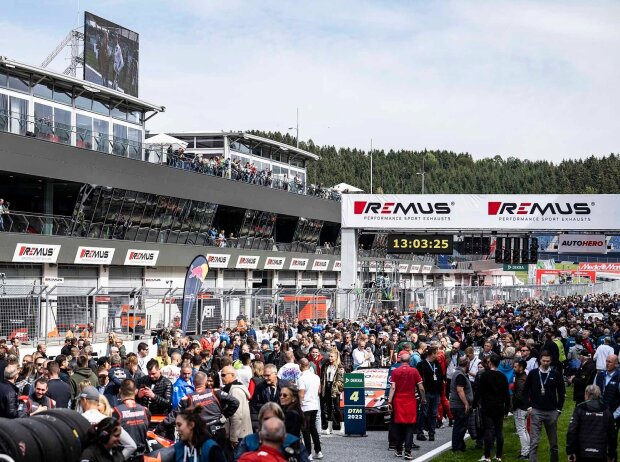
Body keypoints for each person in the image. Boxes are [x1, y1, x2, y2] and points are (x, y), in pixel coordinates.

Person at [523, 350, 566, 462]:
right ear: (540, 360)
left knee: (553, 443)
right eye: (543, 361)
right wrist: (528, 406)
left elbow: (562, 393)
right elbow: (525, 390)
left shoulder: (556, 374)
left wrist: (559, 409)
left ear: (551, 361)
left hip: (552, 411)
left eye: (548, 361)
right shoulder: (533, 373)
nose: (545, 363)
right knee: (534, 442)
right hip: (536, 410)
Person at [235, 402, 310, 462]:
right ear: (260, 421)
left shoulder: (293, 442)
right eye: (267, 419)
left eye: (275, 418)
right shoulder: (248, 440)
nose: (271, 422)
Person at [79, 386, 138, 460]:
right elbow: (131, 446)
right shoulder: (108, 421)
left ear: (84, 400)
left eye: (80, 401)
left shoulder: (77, 420)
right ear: (97, 401)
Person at [472, 353, 511, 462]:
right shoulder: (502, 376)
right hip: (499, 406)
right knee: (499, 431)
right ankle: (498, 455)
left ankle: (487, 455)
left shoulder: (485, 375)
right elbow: (506, 394)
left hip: (487, 406)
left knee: (488, 430)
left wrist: (474, 405)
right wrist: (507, 409)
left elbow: (478, 391)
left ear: (490, 363)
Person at [388, 351, 425, 459]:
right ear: (409, 361)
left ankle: (399, 450)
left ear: (400, 360)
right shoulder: (414, 371)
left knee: (399, 426)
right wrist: (423, 398)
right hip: (410, 401)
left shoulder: (395, 371)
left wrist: (389, 401)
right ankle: (408, 452)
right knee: (409, 426)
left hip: (398, 401)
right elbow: (421, 387)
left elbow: (393, 387)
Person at [566, 384, 617, 462]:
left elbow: (572, 431)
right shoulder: (607, 410)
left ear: (587, 394)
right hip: (601, 454)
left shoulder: (579, 409)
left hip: (581, 454)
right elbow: (612, 435)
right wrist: (611, 454)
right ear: (599, 395)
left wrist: (570, 451)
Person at [112, 379, 150, 456]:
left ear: (120, 391)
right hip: (142, 456)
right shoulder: (146, 411)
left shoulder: (115, 412)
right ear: (136, 391)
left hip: (123, 455)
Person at [221, 366, 253, 448]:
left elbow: (237, 416)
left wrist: (233, 437)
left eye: (224, 375)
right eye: (221, 375)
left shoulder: (235, 391)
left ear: (232, 375)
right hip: (238, 435)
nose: (222, 377)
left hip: (239, 436)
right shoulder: (229, 389)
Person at [416, 346, 443, 442]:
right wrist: (421, 393)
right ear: (432, 354)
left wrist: (440, 390)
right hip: (426, 392)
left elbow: (440, 377)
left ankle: (432, 432)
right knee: (423, 412)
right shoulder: (421, 365)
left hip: (436, 392)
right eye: (436, 353)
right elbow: (418, 380)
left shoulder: (437, 364)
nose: (438, 355)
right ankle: (420, 432)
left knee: (433, 413)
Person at [298, 358, 323, 460]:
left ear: (300, 365)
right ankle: (318, 451)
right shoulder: (316, 377)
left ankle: (308, 453)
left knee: (305, 431)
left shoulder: (301, 378)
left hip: (305, 407)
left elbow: (301, 394)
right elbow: (319, 391)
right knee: (313, 429)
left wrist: (299, 405)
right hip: (315, 405)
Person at [594, 354, 620, 446]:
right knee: (599, 441)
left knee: (611, 443)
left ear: (616, 364)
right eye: (606, 361)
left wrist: (614, 415)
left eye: (610, 362)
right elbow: (593, 394)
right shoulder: (599, 375)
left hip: (613, 415)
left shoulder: (618, 377)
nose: (607, 364)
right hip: (599, 413)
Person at [449, 356, 472, 453]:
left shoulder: (459, 373)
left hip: (456, 405)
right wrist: (466, 403)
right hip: (459, 405)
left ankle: (460, 445)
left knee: (459, 426)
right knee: (460, 426)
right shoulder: (460, 375)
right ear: (467, 364)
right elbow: (460, 390)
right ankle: (457, 447)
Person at [319, 350, 344, 435]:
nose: (330, 358)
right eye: (329, 356)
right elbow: (322, 377)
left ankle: (342, 427)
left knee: (337, 407)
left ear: (336, 357)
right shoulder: (326, 365)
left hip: (335, 388)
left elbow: (342, 380)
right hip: (327, 387)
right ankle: (329, 428)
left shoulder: (339, 366)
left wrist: (340, 390)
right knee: (328, 407)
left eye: (332, 356)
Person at [250, 364, 281, 431]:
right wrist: (256, 425)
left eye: (268, 375)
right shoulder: (260, 387)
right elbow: (254, 405)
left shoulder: (285, 386)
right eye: (264, 375)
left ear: (275, 374)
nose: (265, 378)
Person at [512, 359, 530, 460]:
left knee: (521, 430)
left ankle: (525, 452)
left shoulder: (521, 380)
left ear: (521, 368)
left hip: (520, 407)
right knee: (524, 430)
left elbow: (519, 396)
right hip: (524, 406)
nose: (514, 368)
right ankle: (528, 449)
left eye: (515, 367)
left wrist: (513, 406)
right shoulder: (522, 378)